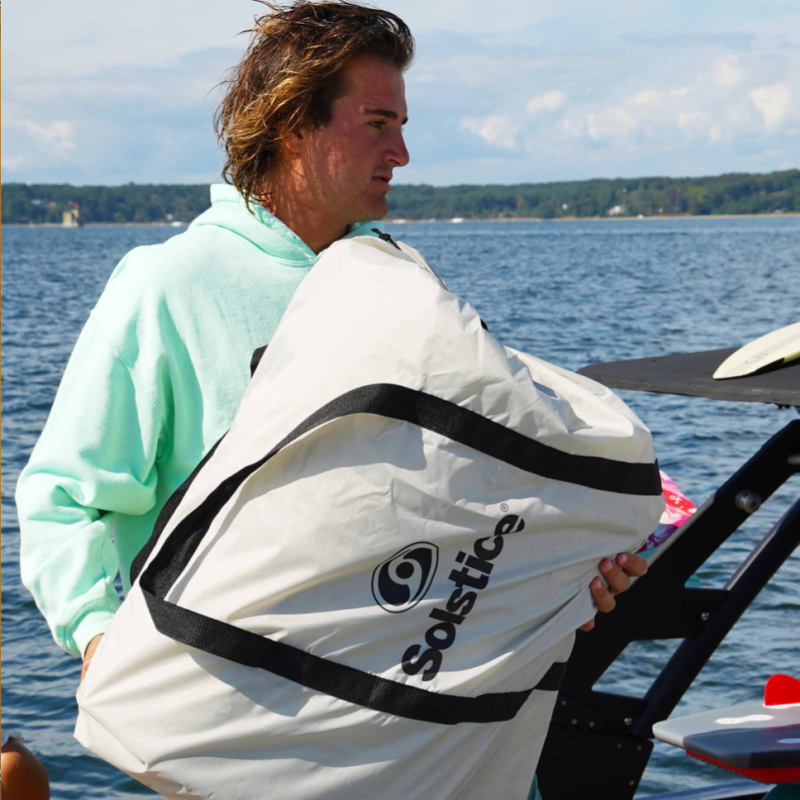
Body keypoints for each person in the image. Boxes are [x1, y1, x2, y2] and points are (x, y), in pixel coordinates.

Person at [15, 1, 647, 796]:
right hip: (237, 747)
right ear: (292, 126)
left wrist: (569, 572)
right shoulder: (169, 287)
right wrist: (100, 639)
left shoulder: (404, 286)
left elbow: (457, 502)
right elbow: (63, 500)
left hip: (400, 746)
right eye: (378, 121)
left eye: (403, 123)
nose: (404, 151)